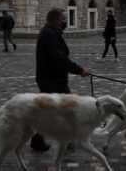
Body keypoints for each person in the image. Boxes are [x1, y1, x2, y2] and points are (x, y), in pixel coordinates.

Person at [30, 8, 90, 152]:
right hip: (52, 81)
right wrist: (79, 70)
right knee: (68, 110)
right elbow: (59, 59)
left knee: (51, 112)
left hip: (52, 79)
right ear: (55, 20)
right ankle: (66, 141)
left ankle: (38, 141)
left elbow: (60, 58)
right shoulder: (49, 34)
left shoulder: (51, 32)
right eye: (63, 19)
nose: (65, 22)